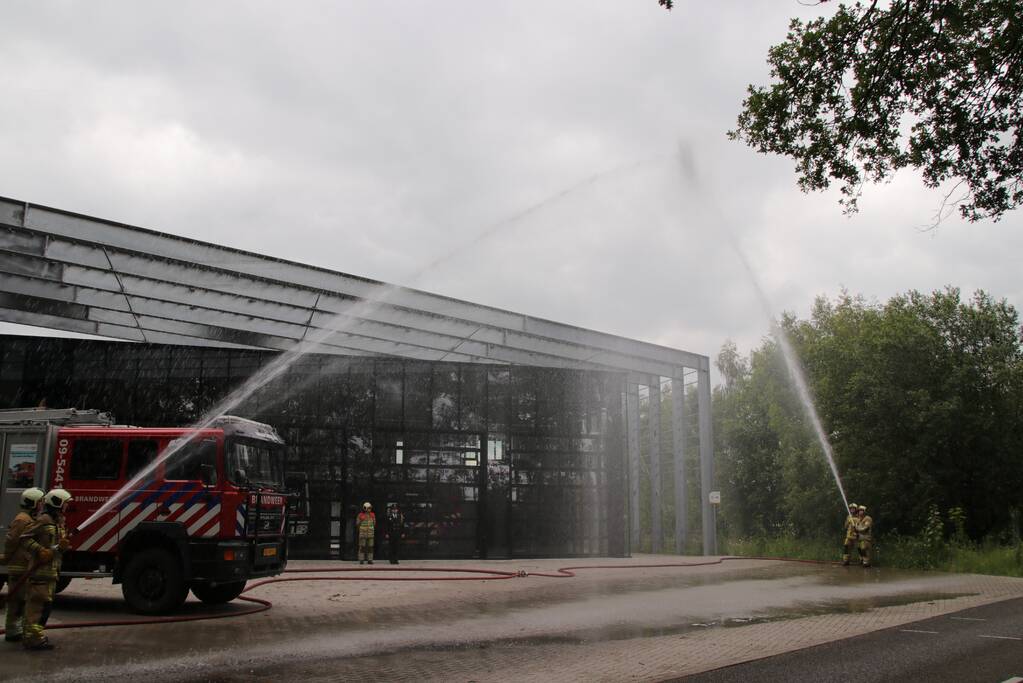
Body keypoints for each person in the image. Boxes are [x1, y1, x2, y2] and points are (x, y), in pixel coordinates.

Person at [16, 488, 72, 651]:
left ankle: (36, 637)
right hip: (40, 571)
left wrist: (62, 547)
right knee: (36, 606)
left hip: (52, 572)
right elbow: (24, 539)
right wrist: (40, 550)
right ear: (57, 503)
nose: (67, 507)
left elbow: (55, 547)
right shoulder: (44, 519)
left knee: (45, 607)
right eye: (65, 503)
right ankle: (31, 639)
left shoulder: (58, 521)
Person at [3, 487, 45, 643]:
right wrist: (6, 557)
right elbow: (11, 540)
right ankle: (11, 631)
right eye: (40, 502)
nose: (42, 505)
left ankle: (17, 629)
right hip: (18, 566)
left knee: (23, 601)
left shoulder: (30, 518)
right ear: (32, 503)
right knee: (16, 601)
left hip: (25, 565)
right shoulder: (22, 519)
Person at [841, 502, 858, 566]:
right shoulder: (848, 517)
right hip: (849, 536)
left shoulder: (859, 516)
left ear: (856, 509)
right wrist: (848, 522)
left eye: (853, 508)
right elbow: (845, 526)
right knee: (846, 546)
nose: (852, 510)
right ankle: (846, 560)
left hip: (856, 536)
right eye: (851, 508)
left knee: (860, 548)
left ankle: (863, 560)